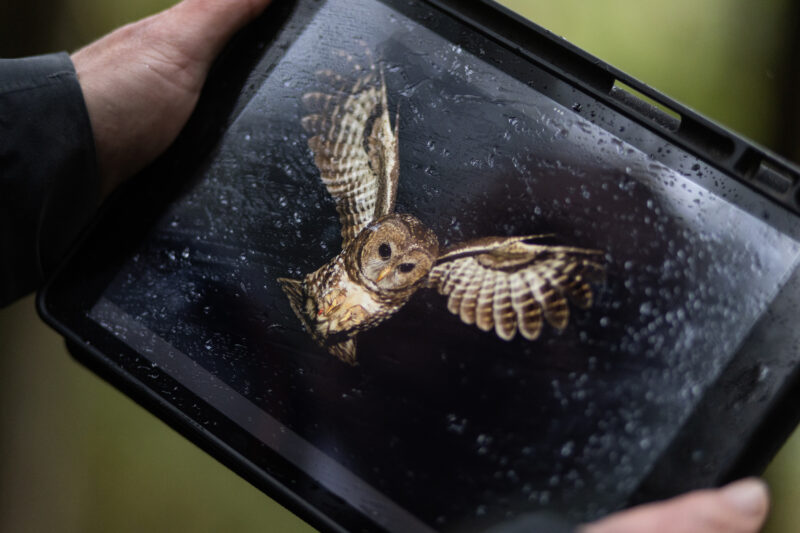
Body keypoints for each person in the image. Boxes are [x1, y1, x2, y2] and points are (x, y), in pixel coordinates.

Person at [0, 0, 772, 531]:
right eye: (483, 208)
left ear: (564, 361)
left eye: (513, 250)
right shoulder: (192, 306)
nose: (439, 245)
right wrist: (73, 124)